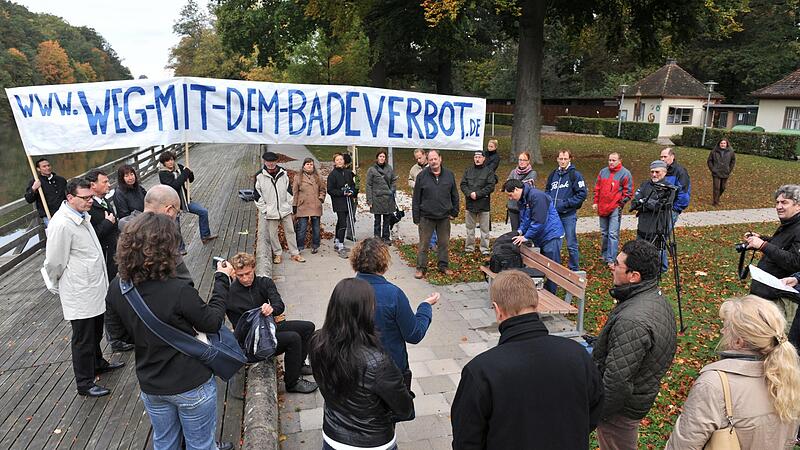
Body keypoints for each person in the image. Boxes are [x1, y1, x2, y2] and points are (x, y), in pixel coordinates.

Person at [104, 212, 234, 450]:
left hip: (152, 383)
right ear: (166, 249)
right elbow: (212, 322)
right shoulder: (178, 290)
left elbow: (119, 336)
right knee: (201, 445)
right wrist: (221, 279)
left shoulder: (117, 288)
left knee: (165, 443)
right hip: (190, 382)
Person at [451, 270, 603, 449]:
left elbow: (466, 439)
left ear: (497, 310)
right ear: (536, 303)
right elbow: (595, 409)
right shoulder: (577, 354)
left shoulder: (481, 371)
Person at [665, 295, 800, 449]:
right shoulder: (789, 376)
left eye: (726, 326)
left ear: (738, 341)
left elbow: (683, 446)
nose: (722, 330)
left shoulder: (714, 385)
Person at [309, 278, 414, 450]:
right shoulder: (378, 362)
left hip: (332, 435)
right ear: (364, 311)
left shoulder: (317, 341)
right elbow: (404, 409)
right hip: (373, 442)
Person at [42, 178, 123, 398]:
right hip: (79, 289)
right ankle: (85, 383)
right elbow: (54, 262)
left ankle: (98, 362)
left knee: (96, 329)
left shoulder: (82, 215)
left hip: (94, 286)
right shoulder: (61, 224)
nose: (90, 201)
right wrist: (59, 285)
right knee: (83, 338)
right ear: (70, 198)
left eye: (90, 197)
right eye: (85, 198)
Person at [593, 239, 677, 450]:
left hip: (620, 410)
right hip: (638, 395)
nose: (612, 266)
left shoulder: (632, 321)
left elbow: (617, 381)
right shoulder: (656, 299)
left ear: (634, 276)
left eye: (618, 264)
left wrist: (595, 415)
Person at [351, 238, 439, 391]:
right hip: (389, 371)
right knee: (394, 412)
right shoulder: (393, 294)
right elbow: (414, 334)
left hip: (354, 367)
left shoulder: (344, 290)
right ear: (383, 263)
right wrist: (425, 307)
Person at [224, 252, 318, 393]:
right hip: (252, 342)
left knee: (307, 327)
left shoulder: (264, 282)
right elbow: (240, 331)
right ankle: (292, 383)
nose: (245, 279)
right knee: (293, 338)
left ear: (254, 268)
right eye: (240, 275)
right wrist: (255, 317)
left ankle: (299, 365)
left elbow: (279, 305)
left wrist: (271, 309)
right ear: (234, 274)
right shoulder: (231, 294)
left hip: (268, 327)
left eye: (248, 273)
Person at [744, 185, 800, 332]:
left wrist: (763, 245)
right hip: (766, 294)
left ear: (798, 206)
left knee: (769, 340)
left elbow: (795, 262)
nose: (779, 206)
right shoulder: (789, 224)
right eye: (777, 202)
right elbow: (784, 245)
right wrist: (761, 239)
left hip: (779, 299)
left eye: (784, 202)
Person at [119, 185, 194, 286]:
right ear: (169, 210)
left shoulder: (125, 231)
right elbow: (186, 283)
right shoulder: (164, 238)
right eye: (177, 213)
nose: (176, 216)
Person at [503, 178, 564, 293]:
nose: (510, 199)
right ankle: (544, 289)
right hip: (542, 236)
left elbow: (538, 221)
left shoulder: (537, 196)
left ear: (516, 189)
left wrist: (526, 237)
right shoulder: (524, 199)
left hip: (551, 235)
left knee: (551, 267)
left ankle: (551, 293)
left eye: (511, 195)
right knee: (543, 265)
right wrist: (520, 231)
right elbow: (526, 218)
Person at [412, 149, 459, 279]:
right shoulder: (422, 176)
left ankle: (443, 266)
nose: (433, 162)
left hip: (444, 217)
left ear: (440, 159)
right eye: (431, 159)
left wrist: (454, 211)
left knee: (443, 243)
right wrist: (416, 217)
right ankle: (421, 268)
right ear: (428, 160)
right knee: (424, 244)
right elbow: (416, 198)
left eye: (435, 159)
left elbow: (454, 194)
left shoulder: (449, 175)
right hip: (426, 217)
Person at [254, 151, 306, 264]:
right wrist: (265, 210)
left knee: (290, 231)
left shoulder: (283, 173)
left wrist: (290, 206)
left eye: (273, 162)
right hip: (271, 211)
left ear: (276, 161)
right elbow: (257, 196)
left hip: (285, 209)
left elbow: (289, 191)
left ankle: (295, 253)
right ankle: (278, 254)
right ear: (265, 162)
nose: (271, 164)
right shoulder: (259, 176)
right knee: (273, 235)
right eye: (268, 162)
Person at [158, 150, 218, 247]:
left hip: (185, 200)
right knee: (175, 225)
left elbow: (190, 180)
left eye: (172, 159)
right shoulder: (163, 174)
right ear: (164, 163)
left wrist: (189, 173)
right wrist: (184, 173)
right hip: (172, 203)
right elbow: (175, 185)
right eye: (167, 161)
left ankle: (205, 236)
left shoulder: (179, 167)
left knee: (203, 212)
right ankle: (180, 247)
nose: (170, 162)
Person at [630, 160, 679, 274]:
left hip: (658, 227)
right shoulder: (645, 184)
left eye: (657, 172)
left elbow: (661, 206)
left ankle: (661, 269)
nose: (654, 174)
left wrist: (645, 202)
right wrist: (648, 203)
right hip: (643, 226)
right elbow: (635, 203)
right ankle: (642, 268)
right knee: (640, 249)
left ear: (664, 172)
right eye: (652, 171)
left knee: (657, 251)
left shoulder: (669, 188)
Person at [544, 150, 587, 271]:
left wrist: (566, 204)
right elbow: (547, 190)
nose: (562, 161)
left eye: (565, 159)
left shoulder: (575, 175)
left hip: (568, 215)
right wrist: (549, 202)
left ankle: (574, 269)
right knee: (553, 241)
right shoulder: (553, 174)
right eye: (560, 158)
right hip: (554, 215)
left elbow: (582, 194)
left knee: (571, 244)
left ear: (570, 159)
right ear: (557, 159)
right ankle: (554, 266)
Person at [593, 152, 633, 266]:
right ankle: (605, 255)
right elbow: (597, 188)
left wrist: (620, 203)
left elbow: (628, 192)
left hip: (615, 207)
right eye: (609, 160)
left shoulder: (625, 174)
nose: (611, 162)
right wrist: (596, 201)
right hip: (602, 206)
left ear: (620, 161)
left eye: (613, 160)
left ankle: (611, 259)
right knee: (604, 233)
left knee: (612, 233)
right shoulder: (603, 172)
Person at [461, 151, 497, 255]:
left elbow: (491, 186)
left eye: (479, 157)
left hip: (484, 205)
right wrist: (469, 193)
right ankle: (469, 248)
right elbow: (463, 184)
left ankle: (485, 249)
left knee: (485, 230)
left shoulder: (489, 171)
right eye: (476, 157)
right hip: (470, 204)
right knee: (470, 229)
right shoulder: (468, 170)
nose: (477, 159)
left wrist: (478, 194)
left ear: (484, 158)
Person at [327, 152, 358, 258]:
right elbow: (330, 190)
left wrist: (352, 191)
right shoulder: (332, 175)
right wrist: (342, 192)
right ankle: (340, 244)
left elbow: (353, 186)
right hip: (339, 202)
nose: (339, 161)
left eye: (341, 159)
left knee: (341, 222)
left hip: (348, 200)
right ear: (334, 162)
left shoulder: (348, 172)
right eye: (337, 160)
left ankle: (337, 240)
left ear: (344, 161)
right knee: (343, 223)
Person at [291, 158, 326, 254]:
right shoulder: (298, 177)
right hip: (303, 205)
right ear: (303, 166)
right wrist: (294, 205)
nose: (310, 166)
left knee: (316, 228)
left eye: (311, 164)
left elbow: (323, 189)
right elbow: (295, 192)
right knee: (302, 228)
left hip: (315, 205)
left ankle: (315, 245)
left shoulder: (318, 177)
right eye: (307, 164)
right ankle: (299, 246)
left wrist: (321, 199)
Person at [365, 149, 398, 244]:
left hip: (388, 198)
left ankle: (386, 237)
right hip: (377, 198)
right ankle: (377, 238)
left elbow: (393, 181)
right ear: (377, 158)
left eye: (383, 156)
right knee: (377, 220)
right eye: (380, 156)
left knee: (387, 220)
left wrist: (392, 190)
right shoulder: (372, 170)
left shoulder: (389, 168)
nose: (382, 158)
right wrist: (369, 200)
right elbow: (368, 185)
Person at [408, 148, 437, 250]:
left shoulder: (432, 167)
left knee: (432, 220)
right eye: (417, 158)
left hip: (431, 198)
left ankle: (433, 242)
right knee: (422, 222)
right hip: (419, 198)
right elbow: (409, 179)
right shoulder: (414, 169)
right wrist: (414, 184)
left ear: (425, 155)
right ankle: (424, 242)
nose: (418, 160)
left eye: (420, 158)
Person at [24, 157, 67, 226]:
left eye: (48, 165)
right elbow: (29, 199)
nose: (47, 168)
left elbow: (68, 195)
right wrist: (33, 188)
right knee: (54, 236)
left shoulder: (61, 180)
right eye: (44, 166)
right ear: (38, 169)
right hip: (48, 216)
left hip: (64, 213)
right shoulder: (35, 182)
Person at [505, 150, 537, 232]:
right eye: (520, 160)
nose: (522, 162)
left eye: (524, 160)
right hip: (513, 206)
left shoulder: (532, 173)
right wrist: (514, 186)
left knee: (525, 230)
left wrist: (514, 185)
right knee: (515, 231)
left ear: (528, 161)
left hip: (525, 207)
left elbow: (525, 187)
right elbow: (507, 186)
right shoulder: (513, 172)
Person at [660, 147, 691, 224]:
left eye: (665, 157)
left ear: (672, 157)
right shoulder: (660, 170)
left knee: (664, 234)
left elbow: (684, 193)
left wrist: (675, 209)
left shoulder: (680, 172)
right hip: (659, 208)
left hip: (671, 210)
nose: (662, 159)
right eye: (661, 157)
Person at [708, 138, 736, 206]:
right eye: (721, 143)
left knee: (722, 187)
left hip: (725, 172)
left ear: (726, 144)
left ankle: (717, 197)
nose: (723, 144)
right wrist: (712, 169)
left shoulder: (731, 151)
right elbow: (709, 161)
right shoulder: (714, 151)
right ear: (719, 144)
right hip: (716, 172)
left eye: (724, 143)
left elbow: (733, 160)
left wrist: (729, 169)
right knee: (716, 187)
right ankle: (715, 202)